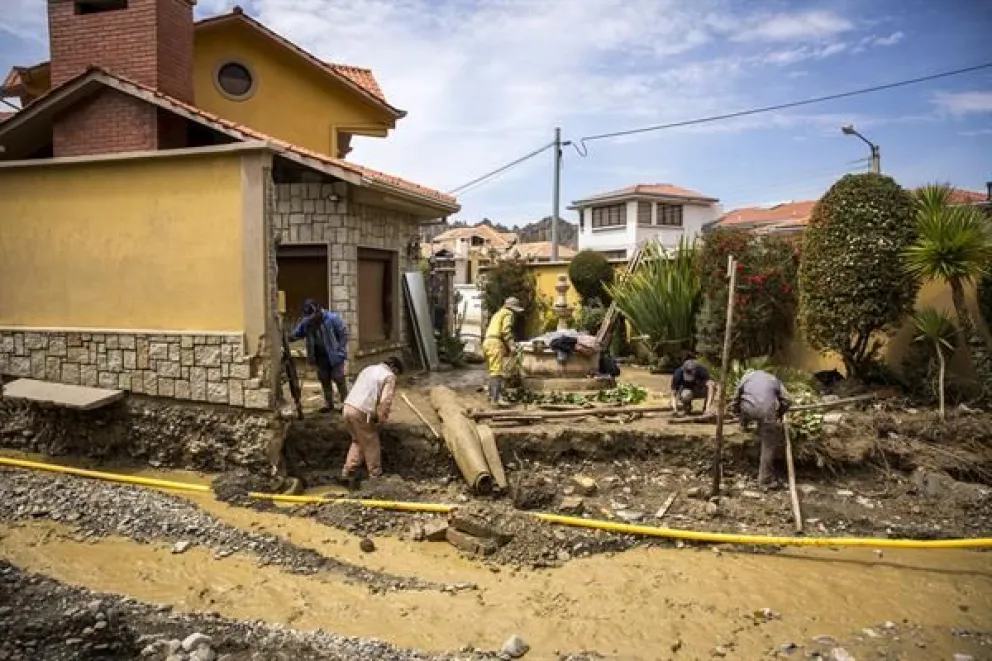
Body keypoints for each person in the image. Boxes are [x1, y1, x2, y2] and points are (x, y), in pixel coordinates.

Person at [339, 356, 404, 489]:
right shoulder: (389, 376)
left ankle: (348, 471)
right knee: (371, 442)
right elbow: (385, 400)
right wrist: (381, 418)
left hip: (347, 407)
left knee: (358, 440)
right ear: (394, 368)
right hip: (362, 411)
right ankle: (375, 476)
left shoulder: (368, 369)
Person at [732, 369, 793, 489]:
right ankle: (765, 480)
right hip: (767, 413)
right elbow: (788, 400)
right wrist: (780, 413)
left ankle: (744, 425)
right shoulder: (773, 379)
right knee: (768, 444)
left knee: (745, 406)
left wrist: (737, 413)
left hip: (747, 410)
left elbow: (736, 398)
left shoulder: (746, 377)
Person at [290, 299, 349, 413]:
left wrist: (340, 350)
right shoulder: (307, 322)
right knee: (324, 380)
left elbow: (343, 334)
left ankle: (346, 404)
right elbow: (297, 334)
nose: (311, 319)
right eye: (309, 316)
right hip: (320, 356)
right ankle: (329, 404)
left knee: (339, 379)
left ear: (318, 310)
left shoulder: (332, 319)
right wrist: (288, 338)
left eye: (313, 315)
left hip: (334, 355)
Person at [482, 297, 524, 405]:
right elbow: (506, 330)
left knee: (492, 371)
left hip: (487, 342)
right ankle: (495, 400)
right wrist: (512, 346)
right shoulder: (508, 313)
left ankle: (491, 396)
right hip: (495, 343)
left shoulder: (497, 313)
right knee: (497, 372)